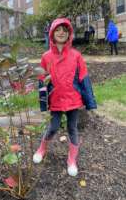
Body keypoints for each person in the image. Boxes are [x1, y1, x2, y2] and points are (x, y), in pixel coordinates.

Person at [33, 18, 97, 176]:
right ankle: (42, 149)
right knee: (53, 127)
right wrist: (43, 103)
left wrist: (89, 102)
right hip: (56, 99)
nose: (61, 32)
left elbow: (83, 78)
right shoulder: (46, 57)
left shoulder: (76, 56)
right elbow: (42, 81)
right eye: (58, 29)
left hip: (73, 99)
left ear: (69, 34)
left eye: (65, 29)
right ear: (52, 33)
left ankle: (71, 160)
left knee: (72, 128)